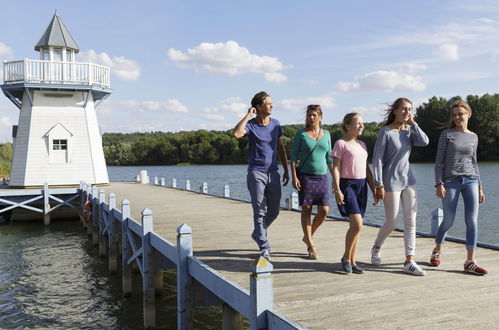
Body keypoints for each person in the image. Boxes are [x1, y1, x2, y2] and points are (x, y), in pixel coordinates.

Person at [370, 98, 429, 276]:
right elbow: (377, 159)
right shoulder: (385, 132)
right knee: (391, 222)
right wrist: (378, 183)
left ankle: (409, 260)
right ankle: (376, 247)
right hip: (390, 181)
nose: (407, 112)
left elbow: (425, 141)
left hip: (408, 180)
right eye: (403, 109)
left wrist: (413, 123)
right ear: (395, 111)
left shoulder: (410, 131)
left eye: (410, 110)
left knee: (411, 221)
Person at [430, 100, 487, 275]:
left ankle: (470, 261)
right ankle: (437, 249)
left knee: (472, 221)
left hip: (471, 180)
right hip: (450, 181)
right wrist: (439, 183)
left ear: (469, 114)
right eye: (454, 114)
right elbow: (439, 163)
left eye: (460, 114)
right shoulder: (447, 135)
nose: (456, 117)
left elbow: (474, 163)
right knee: (449, 220)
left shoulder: (473, 136)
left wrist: (480, 186)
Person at [233, 91, 289, 262]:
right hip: (256, 172)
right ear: (258, 107)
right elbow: (236, 133)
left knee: (274, 210)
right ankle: (264, 246)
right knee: (259, 210)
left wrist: (286, 169)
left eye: (272, 103)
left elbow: (280, 148)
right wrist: (248, 114)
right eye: (268, 103)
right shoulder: (251, 125)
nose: (272, 106)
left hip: (273, 172)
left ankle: (258, 233)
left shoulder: (276, 124)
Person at [331, 113, 376, 274]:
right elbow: (335, 168)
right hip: (347, 185)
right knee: (357, 224)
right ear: (348, 126)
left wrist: (374, 189)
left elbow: (367, 169)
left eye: (362, 123)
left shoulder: (363, 144)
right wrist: (337, 189)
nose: (361, 126)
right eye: (357, 123)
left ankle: (353, 260)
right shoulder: (341, 144)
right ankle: (345, 257)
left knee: (357, 227)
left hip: (362, 185)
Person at [290, 105, 334, 259]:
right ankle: (311, 244)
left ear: (321, 117)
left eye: (314, 115)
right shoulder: (301, 134)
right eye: (309, 115)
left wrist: (335, 178)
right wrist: (294, 176)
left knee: (324, 211)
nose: (311, 118)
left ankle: (307, 236)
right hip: (305, 176)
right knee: (307, 209)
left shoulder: (327, 134)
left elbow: (329, 158)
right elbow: (293, 157)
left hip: (322, 177)